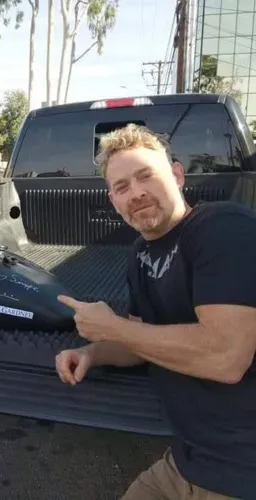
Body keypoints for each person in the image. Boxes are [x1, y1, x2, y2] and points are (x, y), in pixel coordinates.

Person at [55, 123, 256, 500]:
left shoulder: (222, 227)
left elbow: (226, 357)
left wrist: (112, 326)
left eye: (146, 176)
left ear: (177, 175)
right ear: (113, 201)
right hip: (183, 462)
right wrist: (92, 351)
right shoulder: (141, 255)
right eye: (122, 187)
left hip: (242, 470)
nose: (137, 193)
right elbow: (139, 339)